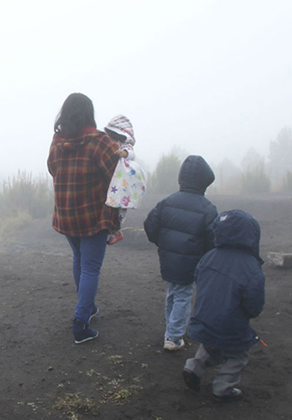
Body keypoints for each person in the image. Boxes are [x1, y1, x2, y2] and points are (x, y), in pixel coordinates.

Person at [47, 93, 120, 344]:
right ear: (90, 114)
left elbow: (52, 168)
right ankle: (81, 322)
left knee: (80, 260)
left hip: (67, 215)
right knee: (90, 267)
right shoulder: (100, 142)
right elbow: (117, 176)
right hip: (93, 217)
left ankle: (87, 307)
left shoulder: (57, 142)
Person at [183, 209, 265, 402]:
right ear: (251, 234)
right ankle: (223, 388)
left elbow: (199, 279)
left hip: (205, 315)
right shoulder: (251, 265)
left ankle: (193, 367)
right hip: (233, 321)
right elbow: (254, 300)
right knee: (237, 355)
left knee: (211, 344)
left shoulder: (209, 256)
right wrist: (252, 312)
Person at [143, 155, 218, 351]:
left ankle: (171, 329)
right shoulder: (208, 209)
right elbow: (213, 239)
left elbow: (150, 225)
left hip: (168, 257)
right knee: (183, 295)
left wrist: (163, 243)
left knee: (173, 292)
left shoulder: (167, 202)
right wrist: (206, 258)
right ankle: (174, 337)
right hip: (191, 261)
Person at [103, 115, 146, 245]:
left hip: (122, 180)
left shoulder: (125, 146)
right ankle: (115, 231)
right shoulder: (108, 142)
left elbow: (131, 153)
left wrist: (124, 154)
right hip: (114, 179)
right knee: (113, 202)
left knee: (119, 206)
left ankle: (116, 231)